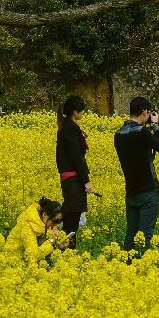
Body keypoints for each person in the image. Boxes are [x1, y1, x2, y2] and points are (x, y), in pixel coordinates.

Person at [114, 96, 159, 253]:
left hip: (131, 192)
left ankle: (127, 268)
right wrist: (156, 126)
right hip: (149, 192)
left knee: (131, 234)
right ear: (144, 112)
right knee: (144, 236)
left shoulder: (119, 134)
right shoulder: (142, 133)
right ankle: (141, 269)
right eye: (148, 113)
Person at [56, 95, 91, 248]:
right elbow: (77, 157)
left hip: (68, 180)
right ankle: (67, 252)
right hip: (74, 182)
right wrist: (86, 180)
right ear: (75, 112)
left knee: (69, 220)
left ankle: (65, 252)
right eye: (82, 110)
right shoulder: (71, 128)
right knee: (72, 223)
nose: (83, 113)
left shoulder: (64, 126)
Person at [4, 197, 66, 262]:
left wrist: (60, 244)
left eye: (59, 222)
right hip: (14, 261)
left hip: (27, 262)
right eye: (55, 221)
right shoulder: (28, 225)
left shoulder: (44, 224)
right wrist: (53, 242)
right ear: (44, 214)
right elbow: (32, 255)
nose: (56, 225)